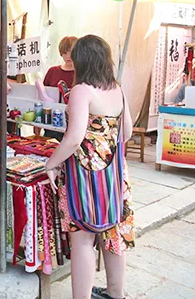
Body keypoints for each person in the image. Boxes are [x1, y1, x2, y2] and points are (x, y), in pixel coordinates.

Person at [45, 35, 134, 299]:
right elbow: (126, 132)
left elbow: (73, 138)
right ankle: (116, 293)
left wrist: (51, 163)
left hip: (85, 176)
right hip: (116, 173)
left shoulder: (82, 90)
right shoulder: (117, 89)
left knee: (83, 239)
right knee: (113, 231)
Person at [41, 36, 78, 140]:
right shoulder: (53, 71)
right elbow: (42, 96)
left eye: (71, 52)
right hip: (52, 121)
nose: (68, 56)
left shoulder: (82, 74)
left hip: (74, 122)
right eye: (64, 52)